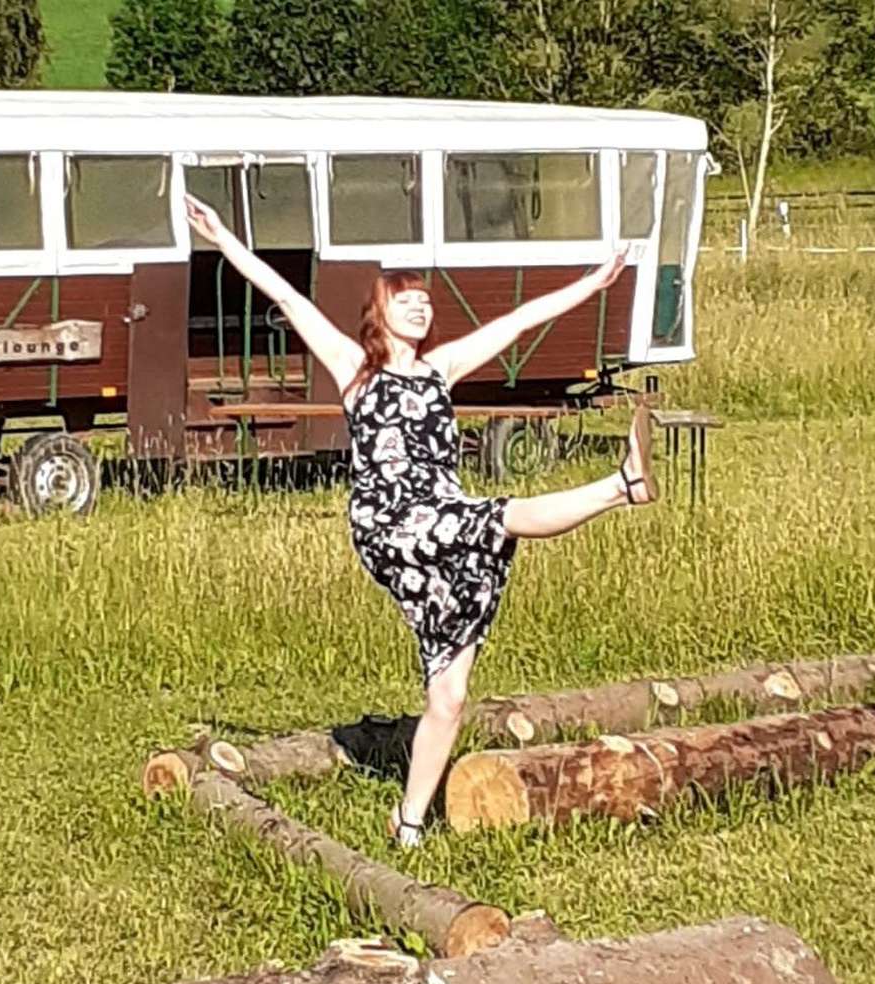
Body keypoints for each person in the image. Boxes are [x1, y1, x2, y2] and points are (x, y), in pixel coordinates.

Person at [183, 193, 660, 847]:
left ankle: (408, 823)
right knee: (501, 515)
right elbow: (289, 298)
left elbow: (520, 321)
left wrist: (592, 283)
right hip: (390, 525)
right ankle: (622, 485)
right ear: (378, 312)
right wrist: (223, 239)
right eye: (404, 298)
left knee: (450, 696)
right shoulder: (357, 370)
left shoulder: (442, 369)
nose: (419, 306)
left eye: (425, 300)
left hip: (445, 519)